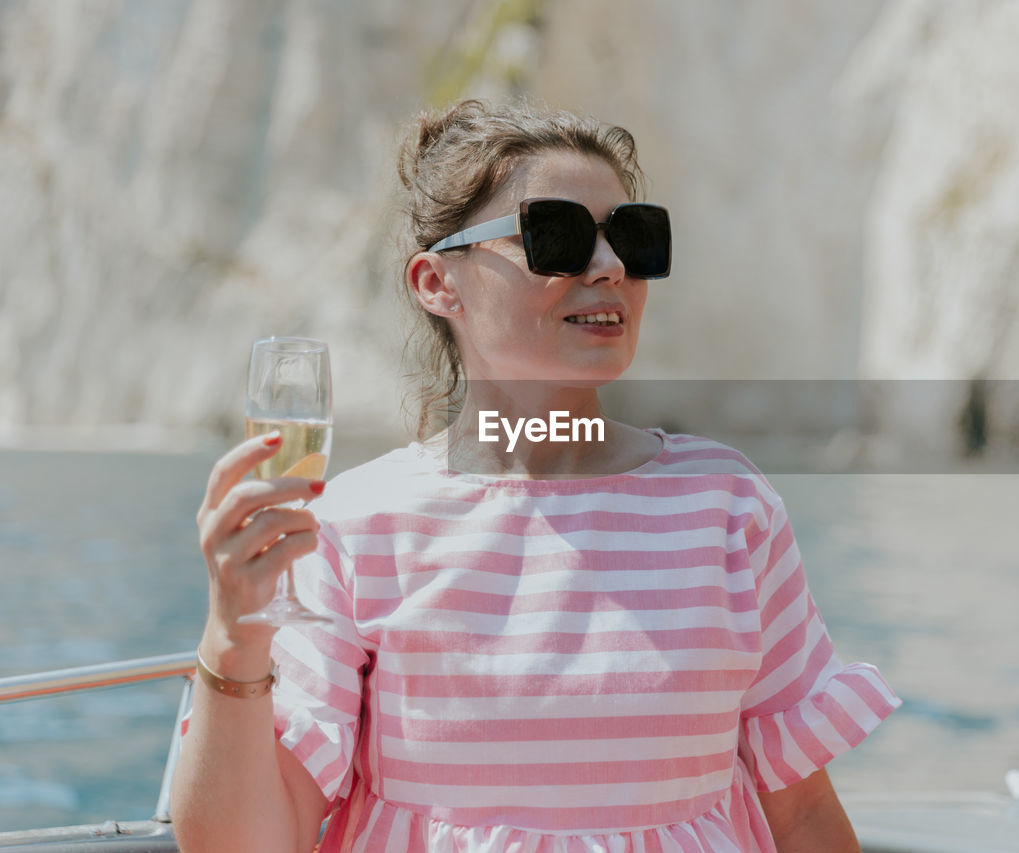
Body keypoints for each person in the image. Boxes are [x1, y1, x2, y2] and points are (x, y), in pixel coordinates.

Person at [172, 99, 900, 853]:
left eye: (632, 236)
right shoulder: (358, 525)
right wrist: (232, 631)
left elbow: (803, 813)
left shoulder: (729, 506)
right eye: (558, 236)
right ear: (437, 282)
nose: (610, 266)